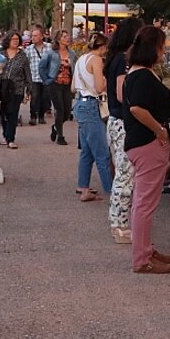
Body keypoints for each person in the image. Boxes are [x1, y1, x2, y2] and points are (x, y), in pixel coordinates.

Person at [123, 26, 170, 274]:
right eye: (161, 48)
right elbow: (138, 109)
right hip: (148, 144)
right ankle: (142, 257)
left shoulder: (137, 73)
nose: (163, 53)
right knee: (145, 203)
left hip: (140, 143)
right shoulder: (142, 76)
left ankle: (145, 248)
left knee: (143, 202)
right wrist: (160, 131)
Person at [104, 17, 144, 244]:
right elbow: (121, 93)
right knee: (125, 174)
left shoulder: (117, 58)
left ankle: (119, 221)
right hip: (122, 120)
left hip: (116, 120)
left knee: (124, 172)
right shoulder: (123, 60)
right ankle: (119, 224)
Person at [72, 31, 113, 202]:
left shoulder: (81, 59)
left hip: (80, 104)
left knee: (87, 150)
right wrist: (106, 81)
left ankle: (83, 186)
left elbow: (73, 88)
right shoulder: (96, 60)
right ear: (102, 47)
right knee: (102, 151)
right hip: (91, 105)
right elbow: (98, 87)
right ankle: (111, 190)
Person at [42, 30, 75, 145]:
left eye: (68, 36)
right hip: (55, 84)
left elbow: (74, 69)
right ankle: (60, 136)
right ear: (58, 39)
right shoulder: (51, 53)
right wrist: (47, 80)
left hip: (68, 84)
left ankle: (55, 127)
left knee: (67, 112)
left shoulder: (71, 53)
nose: (67, 38)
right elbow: (42, 66)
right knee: (60, 110)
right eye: (64, 36)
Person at [0, 32, 29, 150]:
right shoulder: (0, 53)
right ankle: (6, 135)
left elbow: (27, 73)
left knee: (13, 112)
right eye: (13, 39)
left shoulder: (22, 56)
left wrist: (28, 90)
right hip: (2, 88)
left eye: (17, 39)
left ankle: (11, 139)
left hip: (17, 88)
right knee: (3, 112)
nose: (15, 41)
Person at [25, 25, 52, 126]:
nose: (33, 38)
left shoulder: (49, 47)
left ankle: (41, 116)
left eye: (36, 35)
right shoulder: (28, 49)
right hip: (34, 77)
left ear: (42, 36)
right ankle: (33, 116)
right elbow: (26, 64)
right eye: (32, 36)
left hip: (46, 78)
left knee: (45, 98)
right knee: (35, 97)